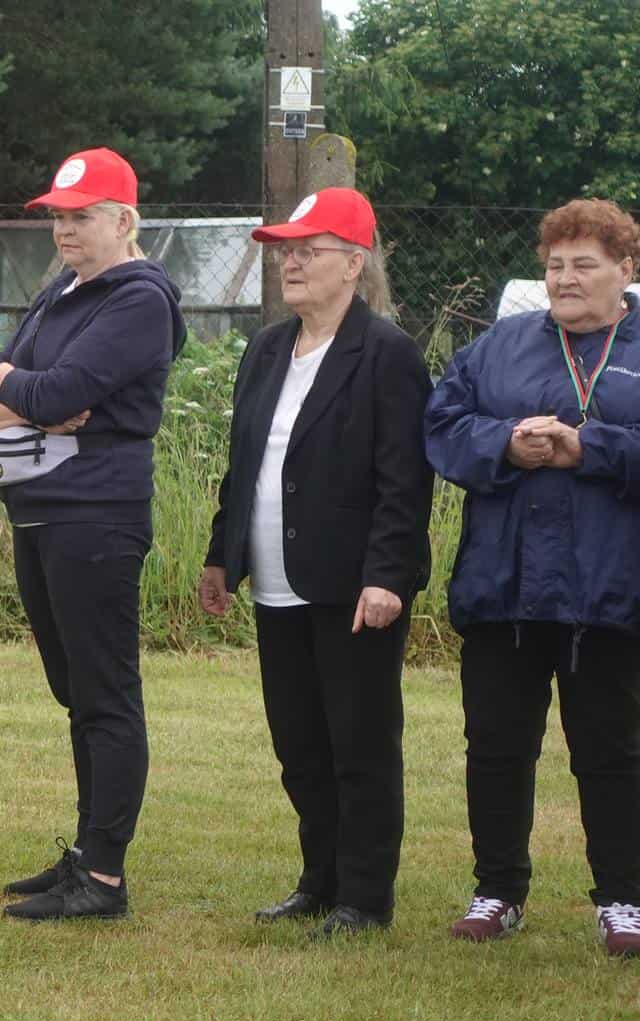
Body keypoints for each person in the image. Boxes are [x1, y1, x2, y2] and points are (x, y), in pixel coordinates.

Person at [199, 188, 434, 938]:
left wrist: (387, 576)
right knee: (299, 747)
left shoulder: (387, 355)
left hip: (352, 586)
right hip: (275, 584)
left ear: (353, 264)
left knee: (359, 747)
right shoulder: (268, 348)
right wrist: (221, 555)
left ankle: (365, 897)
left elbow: (405, 482)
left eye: (310, 250)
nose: (292, 263)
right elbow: (244, 465)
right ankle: (321, 880)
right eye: (286, 252)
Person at [0, 147, 183, 921]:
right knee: (75, 693)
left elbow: (60, 389)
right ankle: (86, 853)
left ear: (124, 220)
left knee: (105, 694)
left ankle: (104, 877)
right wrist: (14, 392)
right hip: (39, 511)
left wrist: (20, 388)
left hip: (95, 515)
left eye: (81, 215)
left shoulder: (138, 299)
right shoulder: (61, 288)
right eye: (58, 216)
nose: (65, 229)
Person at [424, 197, 640, 958]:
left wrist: (593, 449)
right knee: (496, 747)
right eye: (554, 265)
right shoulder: (500, 346)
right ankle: (498, 891)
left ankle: (624, 899)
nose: (565, 278)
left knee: (612, 752)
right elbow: (440, 425)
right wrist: (504, 444)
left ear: (626, 269)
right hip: (504, 587)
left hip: (611, 593)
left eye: (584, 264)